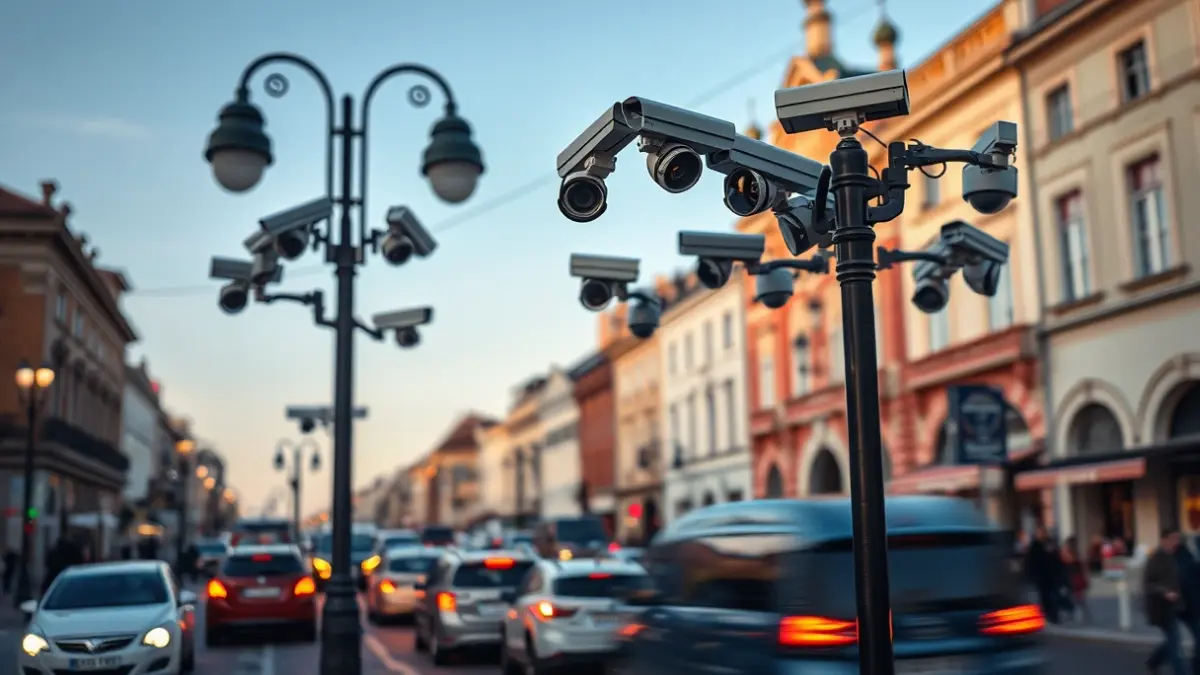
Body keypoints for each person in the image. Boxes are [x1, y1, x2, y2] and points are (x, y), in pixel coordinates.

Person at [1144, 528, 1187, 675]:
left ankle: (1153, 661)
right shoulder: (1156, 558)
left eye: (1178, 539)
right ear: (1164, 540)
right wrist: (1165, 592)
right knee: (1175, 643)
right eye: (1173, 539)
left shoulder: (1175, 556)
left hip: (1174, 605)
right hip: (1161, 607)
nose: (1176, 542)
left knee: (1172, 641)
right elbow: (1149, 583)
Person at [1025, 526, 1066, 623]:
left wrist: (1060, 573)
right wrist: (1032, 576)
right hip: (1041, 577)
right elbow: (1031, 563)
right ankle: (1049, 615)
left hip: (1052, 576)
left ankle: (1054, 616)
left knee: (1054, 596)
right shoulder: (1035, 546)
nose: (1041, 535)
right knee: (1045, 597)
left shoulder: (1050, 544)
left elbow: (1057, 559)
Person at [1174, 534, 1200, 675]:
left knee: (1173, 637)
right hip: (1186, 606)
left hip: (1188, 605)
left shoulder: (1189, 558)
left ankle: (1155, 661)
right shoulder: (1186, 559)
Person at [1062, 536, 1091, 623]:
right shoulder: (1072, 554)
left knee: (1077, 597)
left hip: (1075, 578)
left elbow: (1082, 567)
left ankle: (1079, 614)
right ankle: (1079, 614)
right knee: (1075, 597)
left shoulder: (1073, 555)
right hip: (1073, 577)